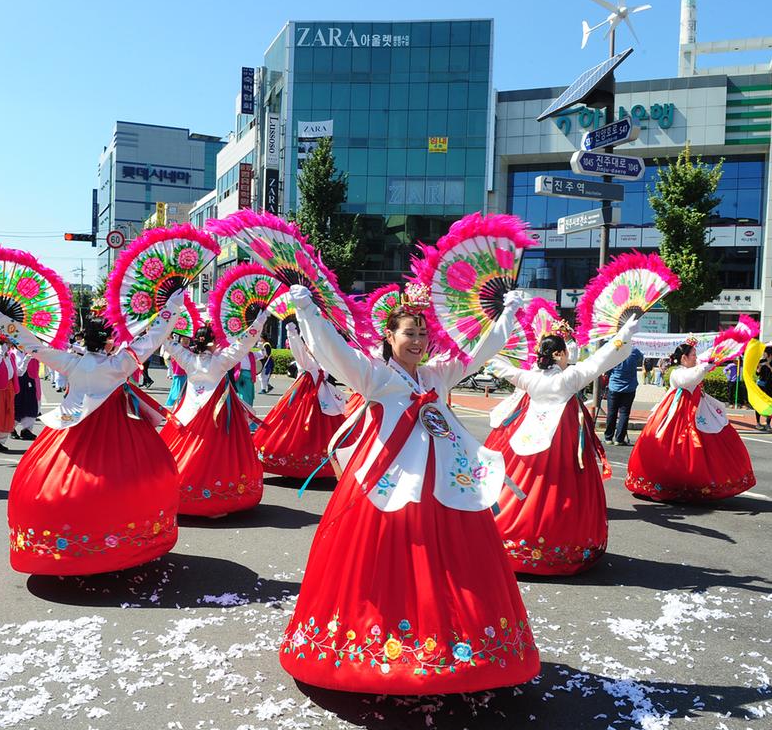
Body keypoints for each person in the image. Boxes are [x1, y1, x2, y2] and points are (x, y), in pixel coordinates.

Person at [279, 284, 540, 695]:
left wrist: (507, 316)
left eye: (423, 334)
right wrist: (306, 310)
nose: (418, 341)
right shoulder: (376, 376)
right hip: (388, 489)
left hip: (445, 491)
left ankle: (456, 644)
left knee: (452, 566)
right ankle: (377, 645)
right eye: (409, 333)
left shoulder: (437, 374)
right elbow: (333, 353)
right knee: (381, 566)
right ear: (390, 336)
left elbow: (480, 351)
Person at [0, 292, 185, 575]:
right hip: (117, 429)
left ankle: (67, 548)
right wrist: (172, 306)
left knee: (58, 483)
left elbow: (32, 345)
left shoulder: (71, 362)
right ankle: (122, 544)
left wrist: (2, 321)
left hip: (71, 427)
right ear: (108, 340)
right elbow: (155, 337)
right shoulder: (120, 363)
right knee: (130, 481)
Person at [484, 317, 640, 575]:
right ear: (559, 354)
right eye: (566, 351)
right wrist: (624, 333)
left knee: (526, 487)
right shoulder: (569, 379)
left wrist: (486, 344)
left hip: (527, 440)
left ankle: (512, 540)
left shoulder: (530, 378)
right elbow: (601, 359)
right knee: (560, 492)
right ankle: (558, 546)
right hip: (561, 443)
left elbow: (499, 366)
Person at [161, 312, 268, 517]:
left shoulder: (188, 358)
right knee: (218, 453)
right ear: (212, 343)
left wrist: (164, 323)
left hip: (191, 412)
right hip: (217, 414)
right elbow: (245, 343)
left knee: (189, 448)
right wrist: (259, 321)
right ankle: (217, 496)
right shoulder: (221, 361)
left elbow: (167, 344)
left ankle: (180, 491)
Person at [625, 340, 755, 502]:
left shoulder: (692, 367)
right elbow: (689, 379)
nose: (696, 358)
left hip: (697, 411)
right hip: (677, 414)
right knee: (674, 447)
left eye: (695, 355)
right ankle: (668, 484)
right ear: (684, 358)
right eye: (693, 355)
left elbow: (704, 360)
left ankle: (696, 482)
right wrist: (706, 366)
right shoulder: (677, 372)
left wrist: (725, 347)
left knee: (707, 444)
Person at [253, 322, 346, 478]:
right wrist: (292, 332)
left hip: (324, 399)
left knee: (323, 431)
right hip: (303, 399)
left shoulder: (325, 360)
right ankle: (292, 460)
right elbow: (297, 349)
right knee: (296, 429)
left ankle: (326, 462)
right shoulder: (305, 359)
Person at [603, 343, 642, 446]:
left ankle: (608, 437)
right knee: (624, 413)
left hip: (614, 386)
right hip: (629, 387)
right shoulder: (633, 350)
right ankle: (619, 439)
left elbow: (607, 369)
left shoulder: (614, 351)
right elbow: (640, 357)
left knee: (612, 412)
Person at [11, 346, 41, 440]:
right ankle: (11, 428)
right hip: (17, 381)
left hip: (31, 379)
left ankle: (27, 430)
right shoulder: (12, 353)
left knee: (31, 404)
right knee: (17, 405)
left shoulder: (33, 350)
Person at [754, 347, 772, 431]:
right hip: (761, 385)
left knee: (769, 404)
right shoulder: (761, 361)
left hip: (770, 386)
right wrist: (760, 367)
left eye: (764, 353)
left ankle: (768, 423)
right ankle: (758, 423)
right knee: (759, 404)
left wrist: (769, 366)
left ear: (769, 354)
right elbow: (757, 373)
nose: (763, 354)